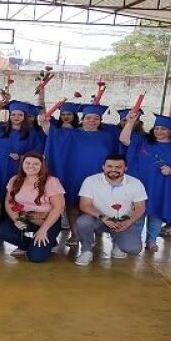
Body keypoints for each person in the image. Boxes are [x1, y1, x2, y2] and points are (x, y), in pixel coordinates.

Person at [42, 104, 119, 246]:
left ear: (100, 121)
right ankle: (75, 234)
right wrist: (45, 122)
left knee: (95, 206)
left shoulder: (108, 137)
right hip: (74, 174)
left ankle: (91, 235)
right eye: (88, 117)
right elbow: (52, 134)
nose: (92, 120)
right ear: (82, 119)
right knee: (73, 205)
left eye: (96, 118)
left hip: (98, 177)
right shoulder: (71, 133)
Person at [119, 113, 171, 252]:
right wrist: (130, 122)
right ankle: (135, 239)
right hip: (141, 183)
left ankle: (151, 240)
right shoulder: (143, 140)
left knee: (156, 213)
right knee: (138, 212)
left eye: (163, 129)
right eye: (156, 128)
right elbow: (124, 140)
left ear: (170, 131)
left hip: (162, 185)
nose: (159, 131)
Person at [0, 152, 65, 263]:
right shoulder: (15, 179)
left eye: (36, 164)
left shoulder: (51, 181)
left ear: (42, 166)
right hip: (25, 216)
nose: (31, 166)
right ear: (22, 164)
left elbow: (58, 207)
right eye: (27, 163)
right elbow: (9, 202)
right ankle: (28, 244)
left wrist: (43, 230)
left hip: (46, 219)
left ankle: (47, 241)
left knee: (35, 257)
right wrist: (16, 219)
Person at [74, 154, 147, 266]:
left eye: (118, 167)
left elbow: (140, 207)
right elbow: (84, 205)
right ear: (103, 167)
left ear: (125, 168)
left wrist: (129, 221)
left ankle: (117, 242)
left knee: (134, 249)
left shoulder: (135, 183)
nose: (113, 169)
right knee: (83, 222)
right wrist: (104, 218)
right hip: (97, 219)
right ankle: (86, 250)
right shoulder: (90, 181)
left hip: (122, 221)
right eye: (109, 166)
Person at [0, 100, 45, 203]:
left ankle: (7, 218)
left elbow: (38, 152)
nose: (16, 117)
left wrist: (22, 157)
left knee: (12, 197)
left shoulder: (32, 134)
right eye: (13, 114)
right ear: (9, 115)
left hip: (17, 169)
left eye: (20, 115)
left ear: (25, 116)